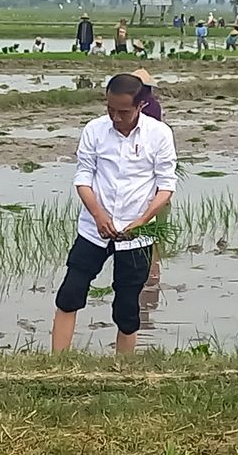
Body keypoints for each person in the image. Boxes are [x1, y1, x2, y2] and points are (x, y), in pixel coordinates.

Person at [51, 73, 177, 355]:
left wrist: (142, 220)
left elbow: (166, 185)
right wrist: (98, 215)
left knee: (127, 307)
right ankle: (56, 364)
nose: (115, 117)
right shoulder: (95, 130)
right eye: (110, 109)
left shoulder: (159, 134)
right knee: (70, 293)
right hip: (94, 229)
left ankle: (123, 370)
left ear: (140, 106)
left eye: (123, 111)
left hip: (137, 235)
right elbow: (83, 176)